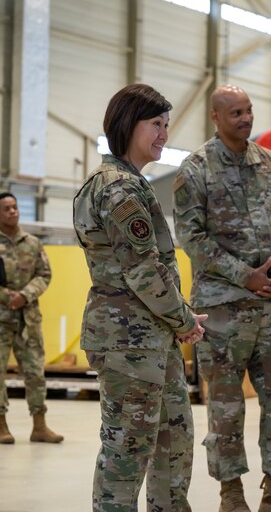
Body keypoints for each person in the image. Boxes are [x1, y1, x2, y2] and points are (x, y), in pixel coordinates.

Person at [173, 84, 271, 512]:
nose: (246, 118)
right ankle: (231, 496)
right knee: (225, 408)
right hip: (222, 310)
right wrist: (245, 277)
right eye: (235, 112)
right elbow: (191, 237)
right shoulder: (195, 169)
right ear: (216, 117)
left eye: (249, 110)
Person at [73, 84, 207, 512]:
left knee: (173, 437)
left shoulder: (132, 183)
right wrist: (185, 319)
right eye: (155, 124)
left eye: (167, 125)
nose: (164, 134)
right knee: (127, 453)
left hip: (150, 339)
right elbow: (144, 271)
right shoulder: (119, 189)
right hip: (128, 342)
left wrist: (175, 322)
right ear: (127, 124)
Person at [0, 193, 62, 445]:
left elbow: (45, 274)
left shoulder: (32, 243)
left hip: (28, 319)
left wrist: (25, 296)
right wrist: (7, 296)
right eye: (6, 208)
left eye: (15, 207)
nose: (13, 211)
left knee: (35, 372)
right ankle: (1, 426)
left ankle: (39, 426)